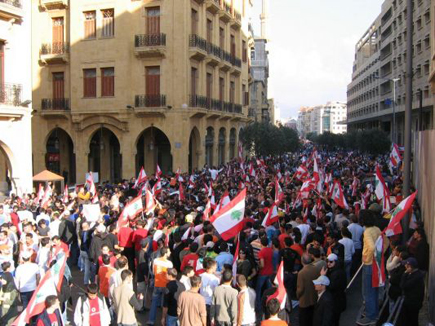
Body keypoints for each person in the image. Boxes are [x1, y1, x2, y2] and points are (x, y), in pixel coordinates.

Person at [148, 247, 173, 325]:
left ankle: (151, 320)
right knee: (166, 304)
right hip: (166, 285)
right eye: (169, 251)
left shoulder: (155, 260)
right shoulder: (169, 263)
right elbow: (170, 275)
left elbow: (153, 272)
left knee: (154, 303)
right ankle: (165, 320)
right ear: (165, 254)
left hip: (157, 284)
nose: (170, 252)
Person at [399, 257, 425, 326]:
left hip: (412, 304)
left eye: (406, 265)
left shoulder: (415, 277)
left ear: (410, 266)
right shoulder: (416, 275)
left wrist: (405, 273)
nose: (405, 266)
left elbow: (403, 285)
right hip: (413, 303)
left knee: (412, 321)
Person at [322, 254, 346, 326]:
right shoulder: (337, 271)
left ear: (335, 262)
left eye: (331, 262)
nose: (328, 263)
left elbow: (331, 286)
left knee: (333, 320)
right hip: (338, 300)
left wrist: (323, 277)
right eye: (327, 261)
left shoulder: (336, 273)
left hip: (335, 301)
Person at [296, 253, 319, 326]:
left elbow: (300, 288)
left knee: (304, 321)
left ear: (302, 261)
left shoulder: (301, 273)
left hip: (304, 300)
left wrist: (297, 295)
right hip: (314, 297)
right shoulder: (316, 269)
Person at [200, 258, 220, 326]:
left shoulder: (200, 276)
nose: (216, 267)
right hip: (210, 303)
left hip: (201, 302)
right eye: (215, 266)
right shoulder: (215, 279)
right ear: (211, 267)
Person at [256, 237, 273, 310]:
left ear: (260, 243)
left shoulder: (261, 252)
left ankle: (259, 306)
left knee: (258, 289)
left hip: (263, 273)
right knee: (269, 290)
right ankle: (270, 305)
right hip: (270, 272)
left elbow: (262, 265)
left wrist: (258, 266)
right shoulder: (271, 250)